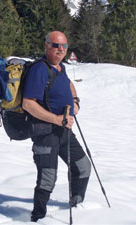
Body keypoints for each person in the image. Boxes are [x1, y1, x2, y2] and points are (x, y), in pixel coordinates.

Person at [22, 31, 91, 222]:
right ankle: (38, 217)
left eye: (64, 46)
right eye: (56, 45)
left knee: (83, 166)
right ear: (46, 46)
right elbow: (28, 103)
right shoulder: (40, 69)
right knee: (48, 177)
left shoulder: (60, 67)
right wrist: (56, 119)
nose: (61, 49)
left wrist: (75, 102)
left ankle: (77, 206)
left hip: (64, 131)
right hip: (45, 132)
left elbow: (68, 85)